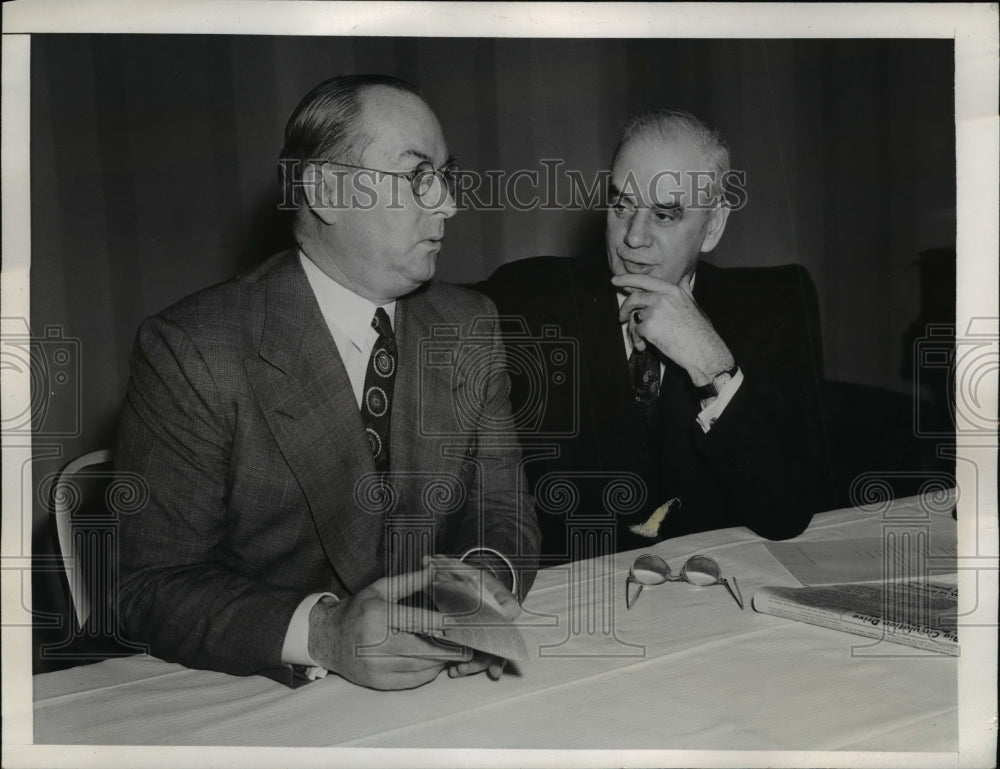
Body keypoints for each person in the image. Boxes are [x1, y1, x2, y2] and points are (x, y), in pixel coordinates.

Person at [114, 75, 540, 689]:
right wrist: (322, 633)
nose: (447, 204)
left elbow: (503, 509)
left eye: (447, 176)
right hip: (261, 696)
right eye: (419, 176)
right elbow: (147, 585)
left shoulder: (470, 324)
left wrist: (475, 586)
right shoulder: (194, 349)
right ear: (328, 192)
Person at [481, 110, 832, 562]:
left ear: (714, 225)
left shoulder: (769, 312)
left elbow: (787, 514)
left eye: (664, 215)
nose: (633, 238)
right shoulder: (526, 302)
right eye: (622, 205)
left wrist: (710, 361)